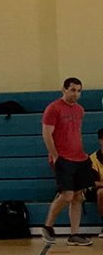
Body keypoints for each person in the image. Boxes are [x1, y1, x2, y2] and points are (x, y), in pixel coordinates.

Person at [39, 78, 92, 246]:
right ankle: (47, 226)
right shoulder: (53, 108)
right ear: (64, 89)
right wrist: (55, 155)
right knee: (67, 195)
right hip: (63, 158)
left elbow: (76, 132)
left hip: (79, 158)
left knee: (78, 197)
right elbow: (47, 134)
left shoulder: (79, 110)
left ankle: (74, 234)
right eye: (73, 90)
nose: (76, 94)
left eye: (79, 91)